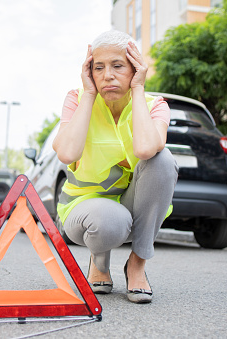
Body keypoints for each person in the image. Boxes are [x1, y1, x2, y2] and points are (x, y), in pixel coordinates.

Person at [52, 30, 178, 304]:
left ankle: (137, 263)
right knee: (110, 220)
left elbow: (146, 150)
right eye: (99, 67)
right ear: (89, 72)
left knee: (163, 159)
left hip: (132, 210)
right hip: (85, 211)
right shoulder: (76, 98)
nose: (107, 75)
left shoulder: (156, 105)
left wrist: (138, 89)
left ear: (135, 68)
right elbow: (67, 152)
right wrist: (88, 92)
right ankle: (98, 260)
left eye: (118, 66)